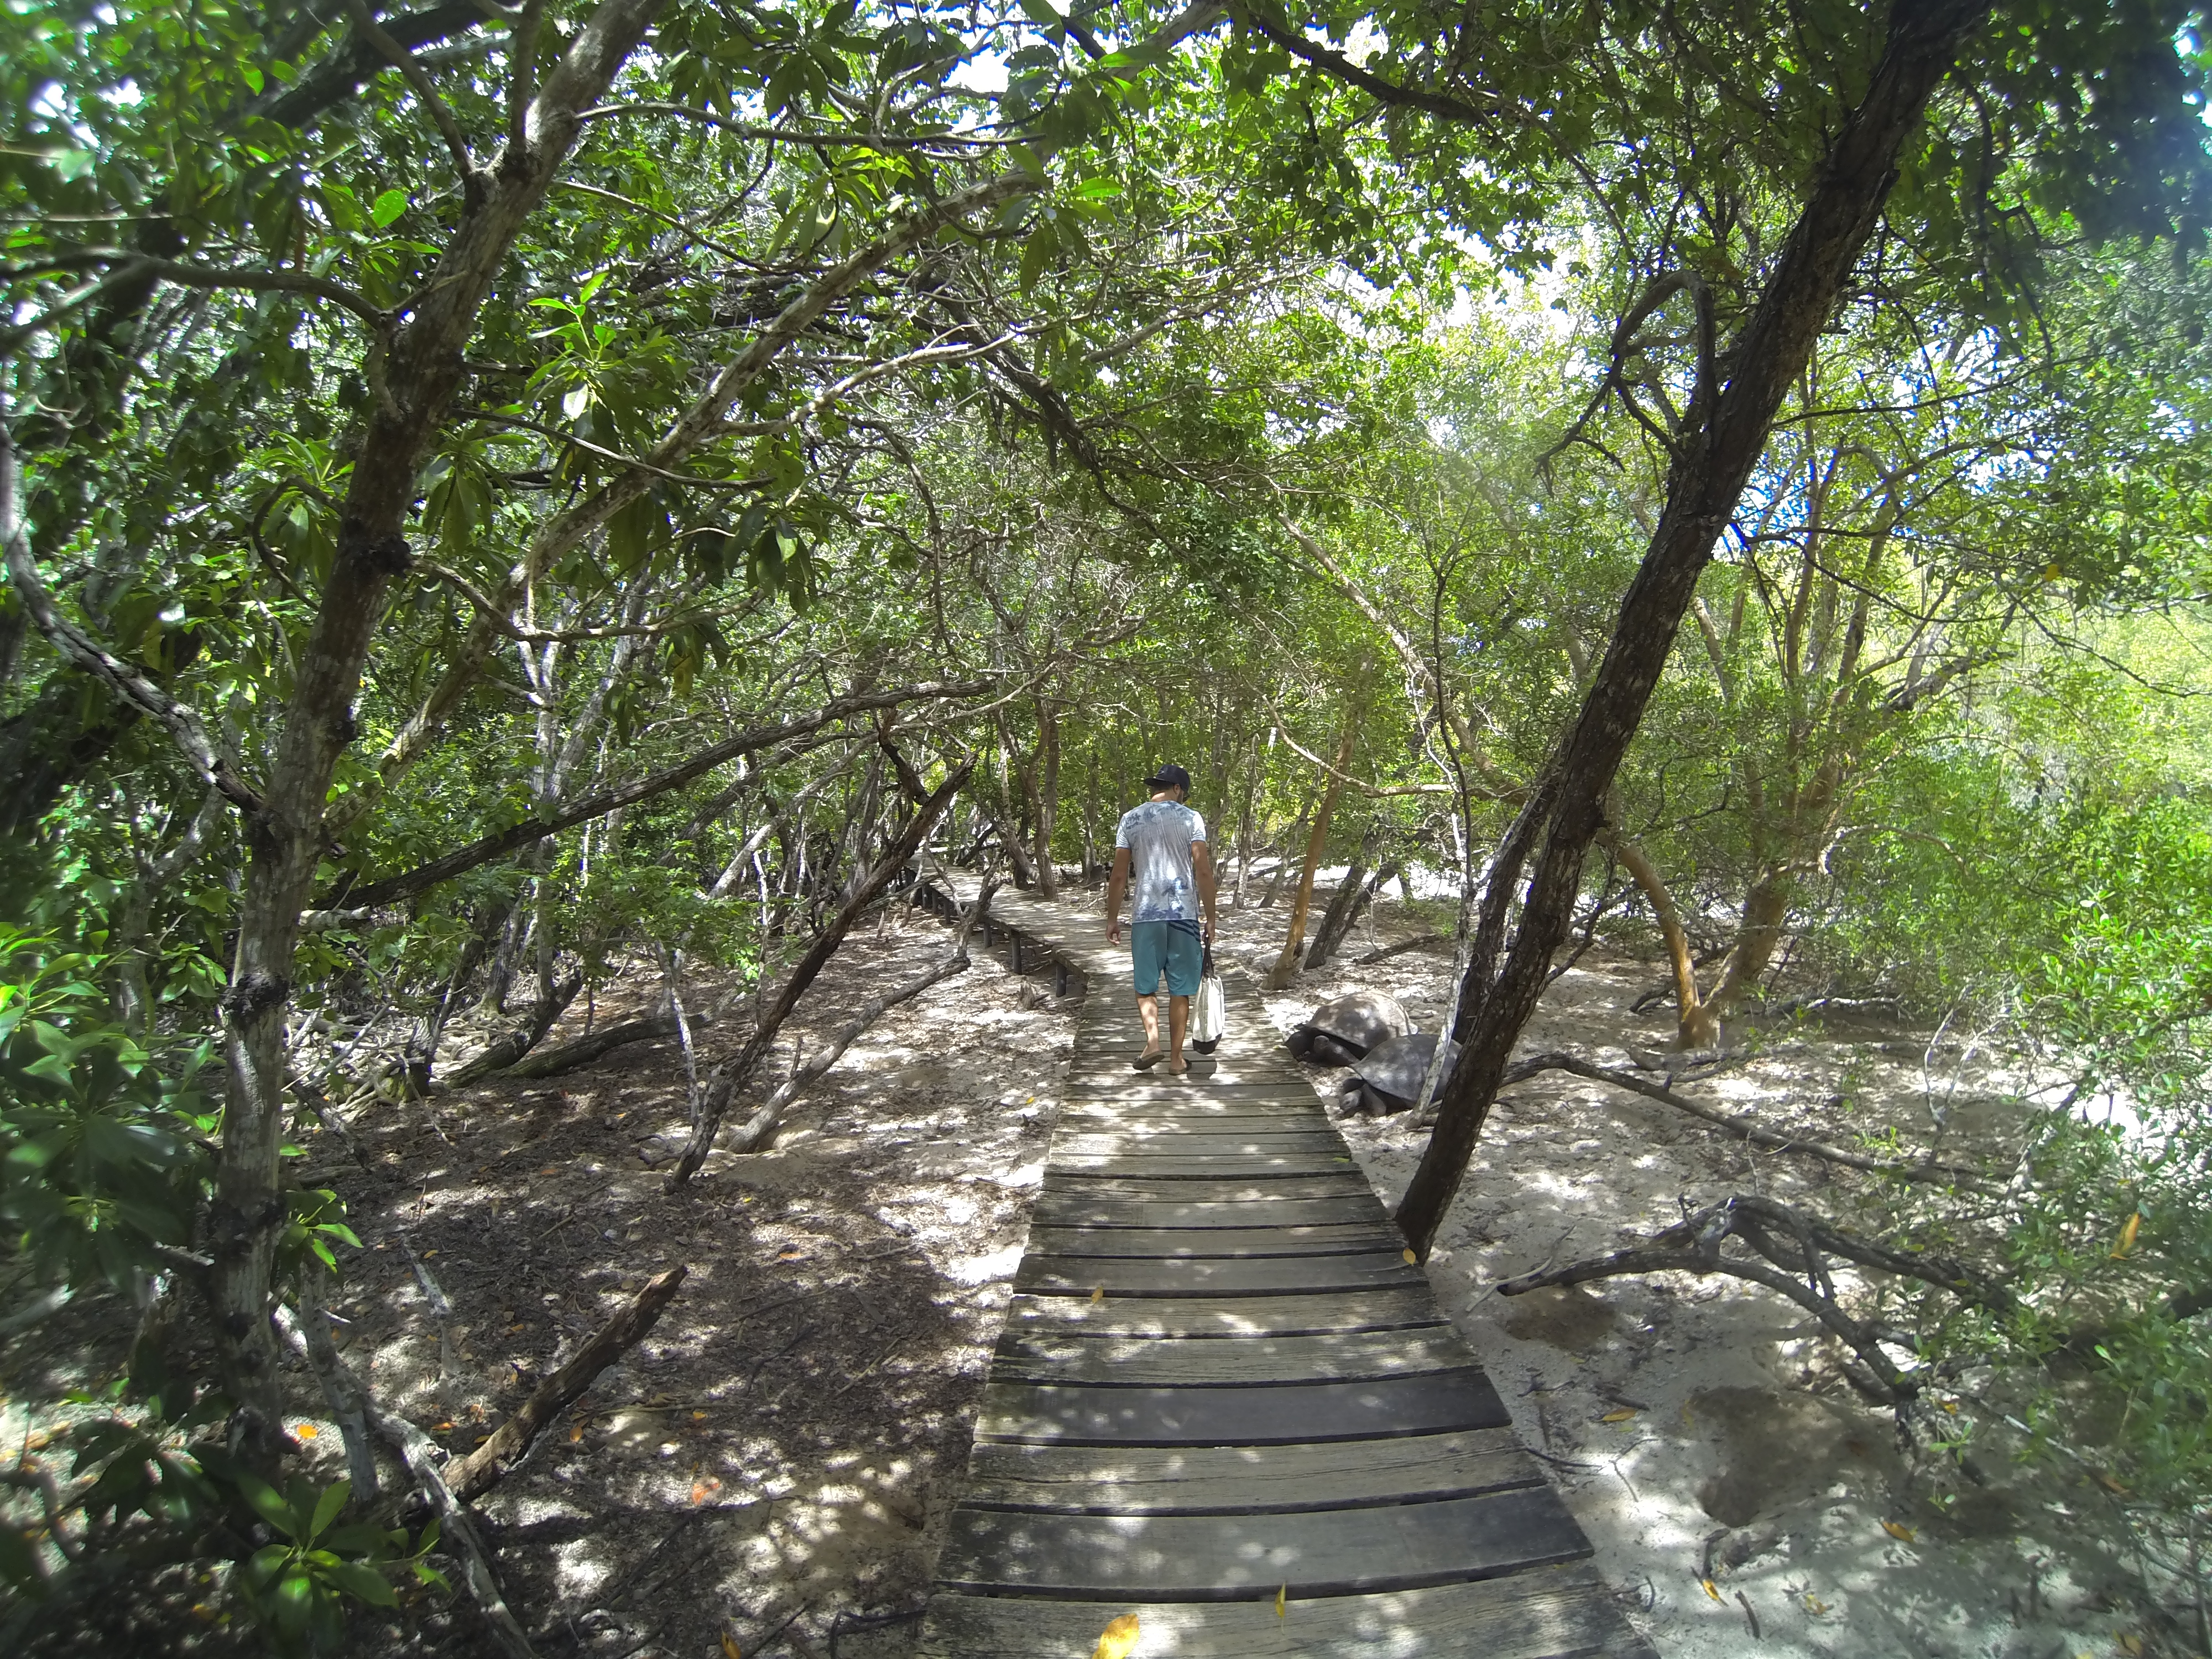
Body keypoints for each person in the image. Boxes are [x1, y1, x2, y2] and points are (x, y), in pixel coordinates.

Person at [1105, 763, 1217, 1074]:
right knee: (1180, 989)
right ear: (1178, 789)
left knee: (1146, 986)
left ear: (1156, 788)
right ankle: (1177, 1060)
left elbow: (1118, 876)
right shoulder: (1191, 818)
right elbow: (1203, 870)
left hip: (1145, 915)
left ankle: (1153, 1041)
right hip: (1183, 915)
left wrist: (1112, 918)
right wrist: (1210, 916)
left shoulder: (1131, 819)